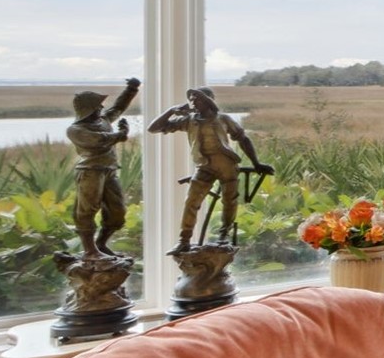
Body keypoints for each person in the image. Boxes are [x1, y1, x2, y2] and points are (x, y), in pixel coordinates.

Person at [149, 87, 272, 251]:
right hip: (204, 165)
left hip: (226, 164)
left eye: (197, 99)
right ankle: (184, 240)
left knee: (229, 201)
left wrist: (256, 163)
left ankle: (224, 236)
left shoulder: (223, 119)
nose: (192, 102)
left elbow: (243, 139)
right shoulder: (189, 120)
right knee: (191, 202)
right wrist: (171, 111)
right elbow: (153, 128)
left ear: (208, 100)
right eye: (191, 99)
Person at [67, 77, 140, 259]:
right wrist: (120, 134)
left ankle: (101, 244)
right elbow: (100, 140)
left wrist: (131, 89)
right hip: (90, 172)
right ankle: (90, 250)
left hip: (109, 171)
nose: (101, 109)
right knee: (87, 210)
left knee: (118, 212)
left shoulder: (103, 119)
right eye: (97, 106)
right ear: (87, 109)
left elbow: (118, 108)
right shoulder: (75, 129)